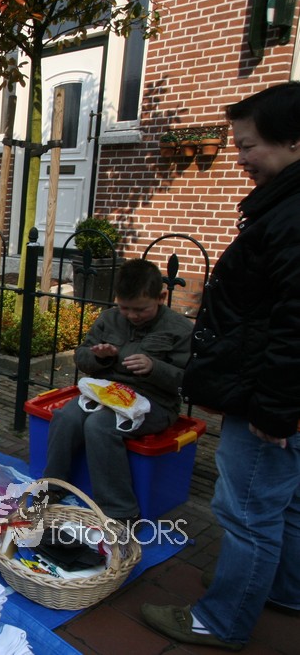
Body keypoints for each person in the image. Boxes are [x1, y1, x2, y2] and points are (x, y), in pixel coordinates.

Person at [142, 82, 300, 651]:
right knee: (287, 504)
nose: (240, 159)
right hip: (273, 395)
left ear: (294, 141)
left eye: (248, 145)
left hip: (266, 402)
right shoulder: (282, 206)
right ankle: (283, 589)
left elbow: (294, 324)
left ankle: (222, 620)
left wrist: (275, 408)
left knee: (248, 512)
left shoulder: (291, 216)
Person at [43, 258, 193, 523]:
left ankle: (121, 511)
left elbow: (189, 382)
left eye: (140, 309)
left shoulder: (179, 329)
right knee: (66, 416)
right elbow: (82, 357)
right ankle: (53, 486)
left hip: (154, 403)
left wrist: (155, 368)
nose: (132, 315)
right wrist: (99, 357)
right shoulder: (109, 318)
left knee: (100, 425)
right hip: (106, 393)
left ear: (161, 297)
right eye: (125, 308)